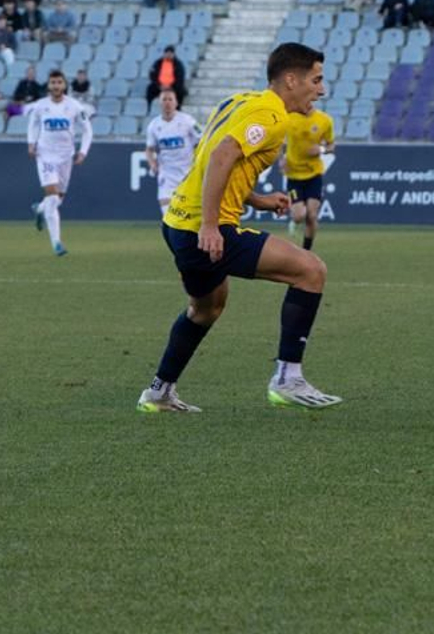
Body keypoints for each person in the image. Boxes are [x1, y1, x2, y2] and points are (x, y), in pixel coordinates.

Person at [140, 43, 339, 413]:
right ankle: (287, 378)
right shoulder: (273, 118)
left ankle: (158, 391)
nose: (321, 89)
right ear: (291, 80)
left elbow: (212, 156)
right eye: (316, 79)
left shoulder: (239, 102)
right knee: (311, 271)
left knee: (206, 309)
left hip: (176, 224)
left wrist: (259, 201)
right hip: (206, 228)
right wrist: (213, 226)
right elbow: (220, 156)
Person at [24, 70, 92, 257]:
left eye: (59, 82)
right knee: (53, 198)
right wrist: (31, 143)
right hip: (45, 155)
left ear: (64, 85)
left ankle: (39, 208)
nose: (56, 86)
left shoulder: (74, 106)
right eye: (53, 82)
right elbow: (33, 124)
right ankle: (57, 243)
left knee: (57, 200)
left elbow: (87, 130)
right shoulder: (41, 106)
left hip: (66, 156)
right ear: (49, 85)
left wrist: (83, 151)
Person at [283, 105, 335, 251]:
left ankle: (306, 251)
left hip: (314, 175)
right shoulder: (289, 117)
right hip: (294, 176)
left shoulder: (324, 120)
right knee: (299, 216)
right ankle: (294, 220)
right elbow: (279, 139)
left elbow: (331, 145)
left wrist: (321, 149)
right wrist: (282, 159)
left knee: (311, 216)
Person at [145, 89, 200, 215]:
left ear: (176, 102)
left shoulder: (188, 121)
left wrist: (198, 160)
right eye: (164, 99)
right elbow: (149, 149)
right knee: (167, 212)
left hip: (187, 172)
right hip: (167, 173)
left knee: (189, 212)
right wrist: (152, 163)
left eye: (170, 99)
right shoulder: (154, 125)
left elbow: (201, 141)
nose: (167, 103)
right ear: (160, 103)